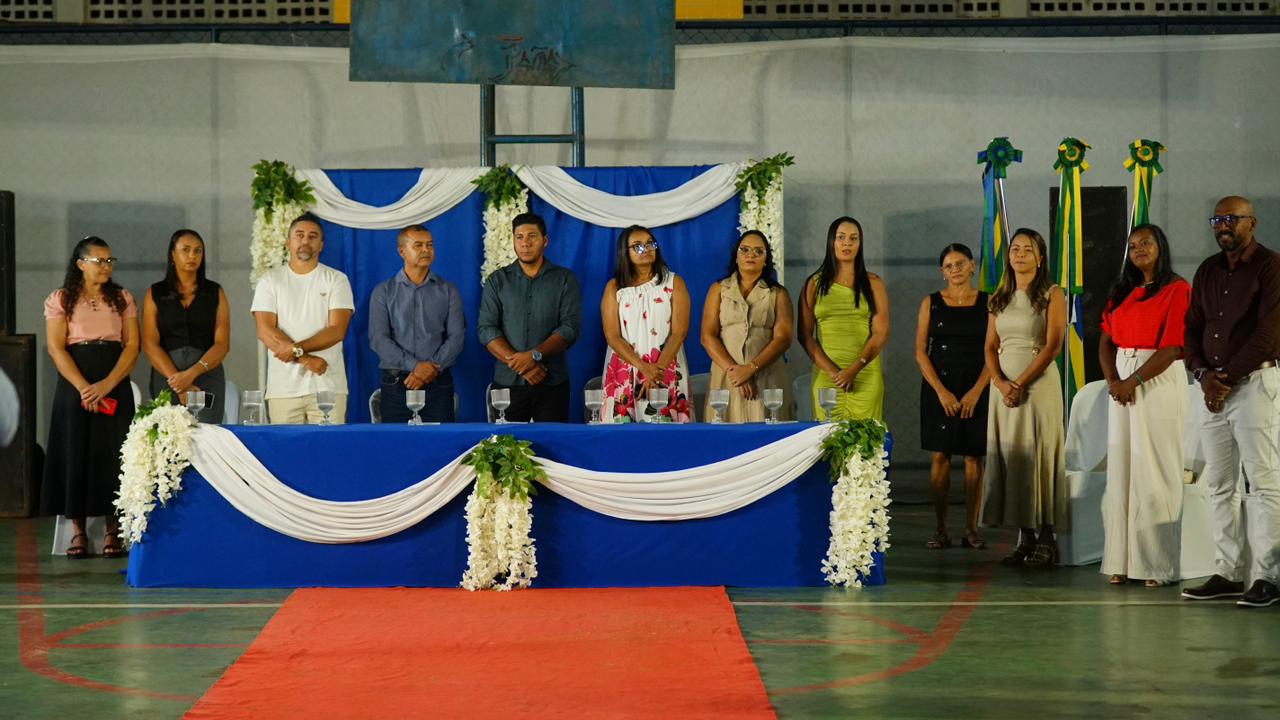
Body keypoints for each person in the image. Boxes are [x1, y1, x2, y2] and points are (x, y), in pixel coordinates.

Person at [1182, 196, 1280, 608]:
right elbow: (1192, 328)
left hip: (1255, 384)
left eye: (1231, 219)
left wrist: (1226, 377)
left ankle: (1268, 577)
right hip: (1212, 391)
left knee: (1263, 484)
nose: (1223, 225)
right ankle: (1227, 571)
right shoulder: (1207, 270)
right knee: (1220, 486)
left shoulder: (1271, 266)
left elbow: (1269, 332)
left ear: (1252, 223)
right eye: (1217, 219)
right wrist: (1204, 375)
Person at [1098, 225, 1192, 587]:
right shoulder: (1123, 291)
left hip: (1157, 379)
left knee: (1154, 467)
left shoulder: (1177, 290)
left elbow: (1172, 348)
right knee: (1123, 468)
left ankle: (1156, 564)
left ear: (1161, 247)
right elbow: (1106, 341)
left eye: (1146, 243)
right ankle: (1122, 560)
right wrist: (1113, 383)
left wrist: (1133, 382)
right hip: (1121, 381)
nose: (1139, 249)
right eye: (1133, 245)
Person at [41, 236, 139, 558]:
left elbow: (132, 346)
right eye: (99, 261)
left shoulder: (122, 298)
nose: (106, 266)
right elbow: (56, 347)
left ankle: (114, 530)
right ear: (81, 263)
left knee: (114, 453)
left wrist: (107, 384)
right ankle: (78, 532)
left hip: (113, 381)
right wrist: (84, 387)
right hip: (75, 383)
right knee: (76, 450)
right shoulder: (62, 299)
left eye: (110, 260)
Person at [981, 228, 1068, 567]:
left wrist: (1019, 383)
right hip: (1003, 391)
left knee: (1039, 454)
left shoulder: (1051, 293)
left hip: (1037, 386)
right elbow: (989, 346)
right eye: (1014, 248)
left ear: (1040, 257)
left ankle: (1047, 536)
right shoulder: (999, 296)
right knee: (1013, 457)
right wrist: (1001, 384)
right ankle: (1025, 537)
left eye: (1027, 249)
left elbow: (1053, 345)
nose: (1018, 254)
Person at [915, 243, 990, 551]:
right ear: (942, 273)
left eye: (961, 263)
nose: (956, 269)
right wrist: (941, 392)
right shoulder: (930, 303)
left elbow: (994, 351)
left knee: (974, 456)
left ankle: (972, 529)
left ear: (973, 266)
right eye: (949, 265)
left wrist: (976, 391)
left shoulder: (988, 302)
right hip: (939, 387)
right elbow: (920, 351)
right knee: (940, 455)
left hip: (977, 385)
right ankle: (941, 528)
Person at [251, 213, 355, 424]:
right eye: (299, 235)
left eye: (312, 236)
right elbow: (265, 331)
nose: (305, 241)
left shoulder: (337, 279)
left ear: (322, 244)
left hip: (328, 387)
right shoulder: (270, 280)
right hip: (283, 389)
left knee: (329, 452)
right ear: (288, 242)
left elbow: (337, 331)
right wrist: (305, 358)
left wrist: (296, 349)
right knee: (285, 455)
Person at [477, 212, 582, 422]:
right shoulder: (497, 280)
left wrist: (534, 355)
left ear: (545, 241)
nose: (525, 243)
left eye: (532, 236)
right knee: (506, 449)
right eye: (519, 237)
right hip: (508, 384)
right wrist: (521, 364)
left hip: (552, 382)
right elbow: (487, 329)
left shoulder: (565, 279)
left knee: (552, 449)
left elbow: (570, 328)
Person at [368, 224, 465, 423]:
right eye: (418, 245)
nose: (425, 250)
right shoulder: (384, 291)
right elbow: (378, 339)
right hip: (397, 383)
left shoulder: (448, 291)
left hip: (438, 383)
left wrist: (430, 369)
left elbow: (457, 337)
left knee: (442, 446)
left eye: (430, 245)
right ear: (402, 251)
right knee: (396, 446)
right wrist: (415, 367)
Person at [800, 216, 889, 421]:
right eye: (841, 237)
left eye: (853, 238)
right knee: (827, 443)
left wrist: (854, 369)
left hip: (864, 374)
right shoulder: (814, 283)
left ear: (860, 244)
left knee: (866, 445)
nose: (847, 243)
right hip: (827, 375)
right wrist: (835, 373)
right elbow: (804, 335)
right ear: (832, 242)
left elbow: (881, 332)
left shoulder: (873, 283)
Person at [600, 225, 692, 423]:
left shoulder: (674, 282)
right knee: (622, 439)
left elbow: (679, 332)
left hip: (665, 368)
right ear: (626, 253)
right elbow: (612, 336)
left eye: (650, 244)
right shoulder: (615, 287)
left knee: (668, 437)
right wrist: (643, 367)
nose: (647, 249)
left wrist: (656, 372)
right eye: (638, 246)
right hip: (625, 369)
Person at [700, 230, 794, 423]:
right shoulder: (718, 289)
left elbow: (783, 338)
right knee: (725, 436)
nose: (751, 255)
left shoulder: (778, 293)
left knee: (768, 435)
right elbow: (707, 336)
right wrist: (737, 372)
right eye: (745, 250)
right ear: (736, 256)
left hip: (767, 376)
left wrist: (752, 368)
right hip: (727, 377)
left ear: (766, 260)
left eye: (758, 251)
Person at [141, 229, 230, 423]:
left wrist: (191, 374)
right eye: (186, 250)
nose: (192, 256)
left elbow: (222, 344)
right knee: (169, 438)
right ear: (173, 254)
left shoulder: (215, 292)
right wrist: (179, 382)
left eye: (198, 251)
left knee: (207, 435)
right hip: (167, 377)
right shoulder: (156, 293)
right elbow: (150, 344)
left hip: (206, 374)